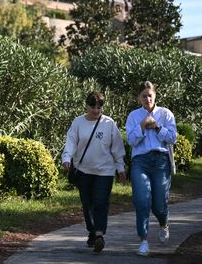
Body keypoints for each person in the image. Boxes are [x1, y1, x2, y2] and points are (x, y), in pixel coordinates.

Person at [62, 91, 126, 253]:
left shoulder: (109, 123)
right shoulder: (78, 123)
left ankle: (99, 234)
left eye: (99, 107)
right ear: (86, 106)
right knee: (87, 204)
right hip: (83, 170)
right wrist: (67, 158)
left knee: (100, 202)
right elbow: (71, 141)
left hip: (105, 171)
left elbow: (117, 147)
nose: (96, 110)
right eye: (92, 106)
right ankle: (93, 231)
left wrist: (121, 168)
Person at [126, 81, 177, 257]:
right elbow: (131, 141)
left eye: (150, 95)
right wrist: (141, 126)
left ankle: (164, 223)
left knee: (159, 204)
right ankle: (143, 241)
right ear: (138, 98)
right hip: (140, 161)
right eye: (144, 96)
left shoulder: (165, 114)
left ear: (155, 95)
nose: (147, 98)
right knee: (141, 201)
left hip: (161, 161)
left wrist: (156, 126)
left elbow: (172, 138)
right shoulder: (133, 116)